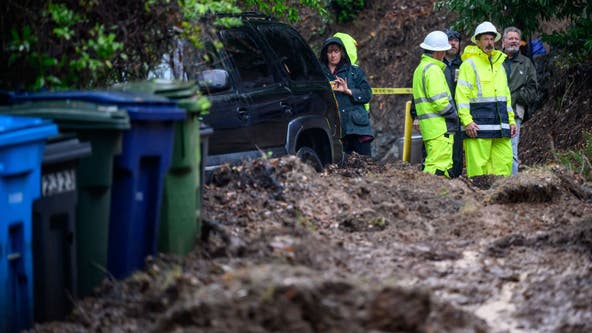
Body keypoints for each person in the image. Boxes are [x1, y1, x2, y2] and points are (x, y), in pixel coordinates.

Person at [455, 21, 517, 178]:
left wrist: (511, 120)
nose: (489, 42)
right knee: (478, 167)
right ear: (477, 41)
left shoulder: (499, 65)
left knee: (504, 162)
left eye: (491, 39)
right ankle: (479, 199)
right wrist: (467, 121)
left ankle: (499, 197)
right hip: (478, 126)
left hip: (501, 125)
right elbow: (462, 95)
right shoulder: (469, 64)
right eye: (485, 39)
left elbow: (506, 96)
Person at [412, 31, 459, 177]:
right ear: (438, 52)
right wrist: (453, 115)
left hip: (430, 128)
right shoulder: (433, 70)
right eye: (444, 50)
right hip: (440, 127)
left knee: (432, 162)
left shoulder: (421, 68)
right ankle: (433, 196)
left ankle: (428, 194)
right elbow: (439, 101)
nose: (445, 53)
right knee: (439, 166)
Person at [319, 36, 374, 156]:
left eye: (336, 51)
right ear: (325, 54)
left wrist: (347, 90)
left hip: (358, 128)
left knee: (367, 166)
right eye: (330, 52)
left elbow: (367, 94)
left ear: (341, 52)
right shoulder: (320, 74)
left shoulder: (354, 71)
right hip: (335, 129)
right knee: (342, 169)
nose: (333, 55)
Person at [502, 26, 538, 174]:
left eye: (516, 39)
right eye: (510, 38)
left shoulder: (526, 63)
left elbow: (533, 90)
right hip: (492, 113)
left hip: (515, 114)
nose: (514, 42)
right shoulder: (495, 60)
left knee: (512, 152)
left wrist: (516, 97)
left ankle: (512, 186)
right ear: (503, 42)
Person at [443, 28, 464, 178]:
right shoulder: (435, 64)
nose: (453, 43)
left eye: (456, 41)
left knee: (456, 154)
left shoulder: (465, 65)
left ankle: (456, 186)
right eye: (450, 40)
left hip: (458, 116)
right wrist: (415, 115)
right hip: (438, 116)